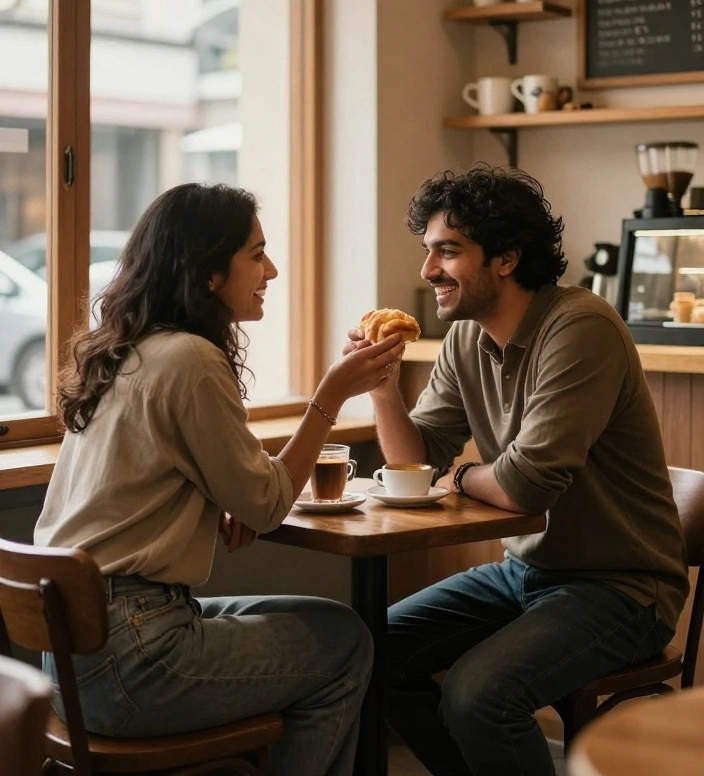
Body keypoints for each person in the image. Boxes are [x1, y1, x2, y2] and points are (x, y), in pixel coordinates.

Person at [35, 182, 405, 776]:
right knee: (348, 645)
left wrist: (222, 496)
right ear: (208, 272)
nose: (273, 269)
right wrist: (330, 395)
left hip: (74, 659)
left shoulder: (129, 351)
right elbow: (268, 507)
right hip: (135, 657)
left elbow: (174, 480)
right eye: (257, 253)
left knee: (336, 624)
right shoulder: (190, 360)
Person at [346, 165, 689, 776]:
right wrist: (381, 389)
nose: (428, 272)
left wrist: (456, 478)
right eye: (428, 252)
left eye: (447, 252)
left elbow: (527, 486)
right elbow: (414, 462)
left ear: (506, 258)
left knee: (479, 696)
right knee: (368, 651)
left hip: (624, 590)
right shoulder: (465, 339)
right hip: (523, 573)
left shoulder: (580, 327)